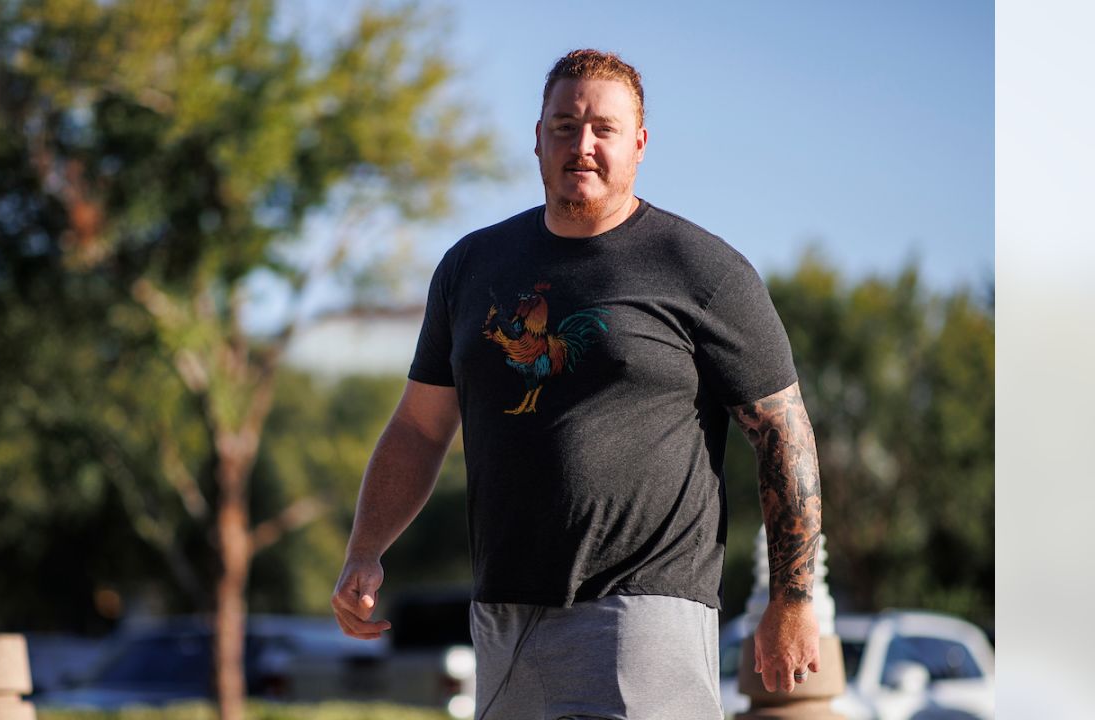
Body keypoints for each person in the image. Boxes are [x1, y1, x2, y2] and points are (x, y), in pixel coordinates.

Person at [332, 48, 822, 720]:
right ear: (537, 139)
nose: (581, 145)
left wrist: (791, 598)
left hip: (645, 611)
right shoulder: (471, 267)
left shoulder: (703, 270)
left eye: (603, 129)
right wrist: (365, 550)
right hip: (505, 618)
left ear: (640, 145)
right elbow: (419, 428)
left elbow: (782, 430)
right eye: (564, 126)